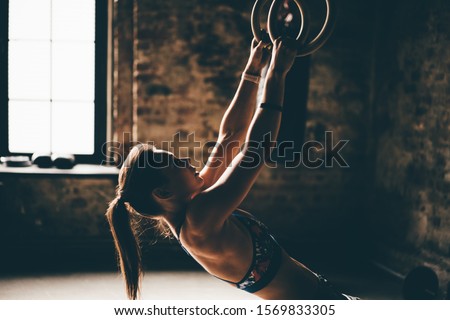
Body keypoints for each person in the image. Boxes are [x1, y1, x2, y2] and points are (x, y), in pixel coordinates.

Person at [106, 37, 359, 300]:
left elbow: (230, 136)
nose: (188, 162)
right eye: (177, 163)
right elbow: (256, 149)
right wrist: (278, 73)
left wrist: (252, 71)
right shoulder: (200, 222)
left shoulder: (194, 206)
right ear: (163, 192)